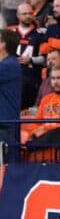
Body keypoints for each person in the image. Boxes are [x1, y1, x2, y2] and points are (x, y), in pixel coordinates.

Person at [0, 29, 22, 161]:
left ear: (3, 44)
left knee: (6, 169)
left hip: (5, 126)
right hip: (4, 124)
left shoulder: (9, 65)